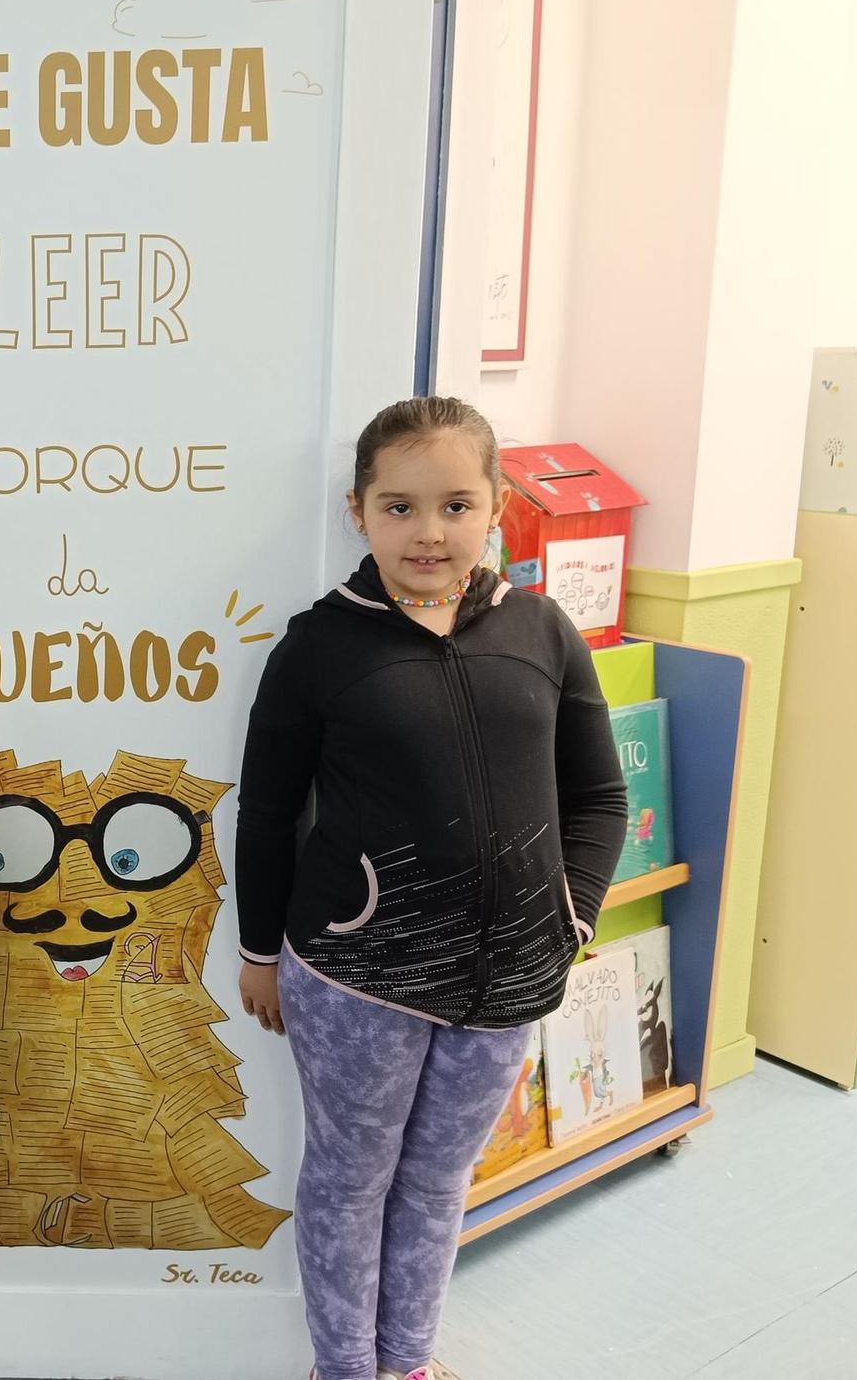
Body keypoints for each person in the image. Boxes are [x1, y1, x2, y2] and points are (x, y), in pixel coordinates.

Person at [234, 396, 628, 1380]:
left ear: (494, 505)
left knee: (436, 1184)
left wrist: (568, 918)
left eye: (453, 504)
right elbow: (266, 811)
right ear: (356, 510)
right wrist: (254, 951)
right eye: (397, 506)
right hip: (353, 981)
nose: (427, 531)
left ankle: (406, 1363)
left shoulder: (542, 630)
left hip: (504, 991)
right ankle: (344, 1371)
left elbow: (598, 795)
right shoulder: (317, 648)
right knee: (347, 1185)